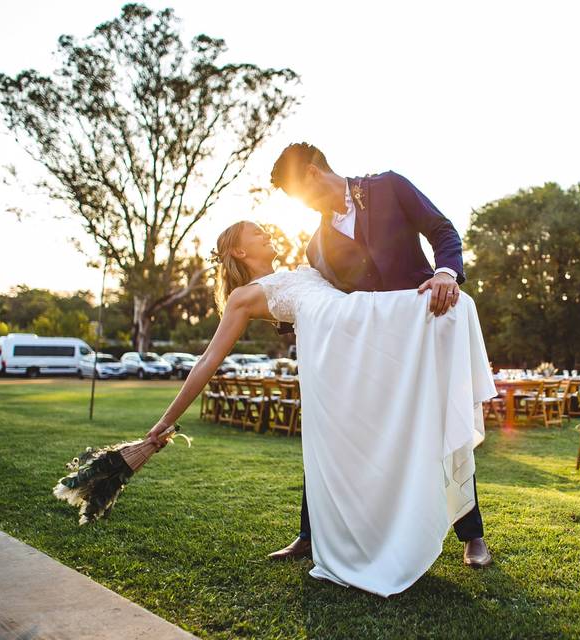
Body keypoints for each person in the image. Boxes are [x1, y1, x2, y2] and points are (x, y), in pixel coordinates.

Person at [146, 221, 495, 597]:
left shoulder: (302, 269)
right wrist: (167, 420)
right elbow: (208, 360)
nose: (267, 233)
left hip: (361, 334)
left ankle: (471, 535)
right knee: (328, 449)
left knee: (452, 311)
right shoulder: (243, 297)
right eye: (257, 233)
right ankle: (313, 536)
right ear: (239, 251)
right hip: (336, 354)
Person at [265, 143, 494, 569]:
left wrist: (445, 272)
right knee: (334, 429)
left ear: (313, 173)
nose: (301, 205)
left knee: (445, 425)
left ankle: (472, 536)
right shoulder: (316, 246)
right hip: (369, 354)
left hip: (427, 332)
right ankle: (309, 534)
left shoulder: (389, 187)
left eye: (297, 192)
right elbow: (321, 302)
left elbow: (443, 230)